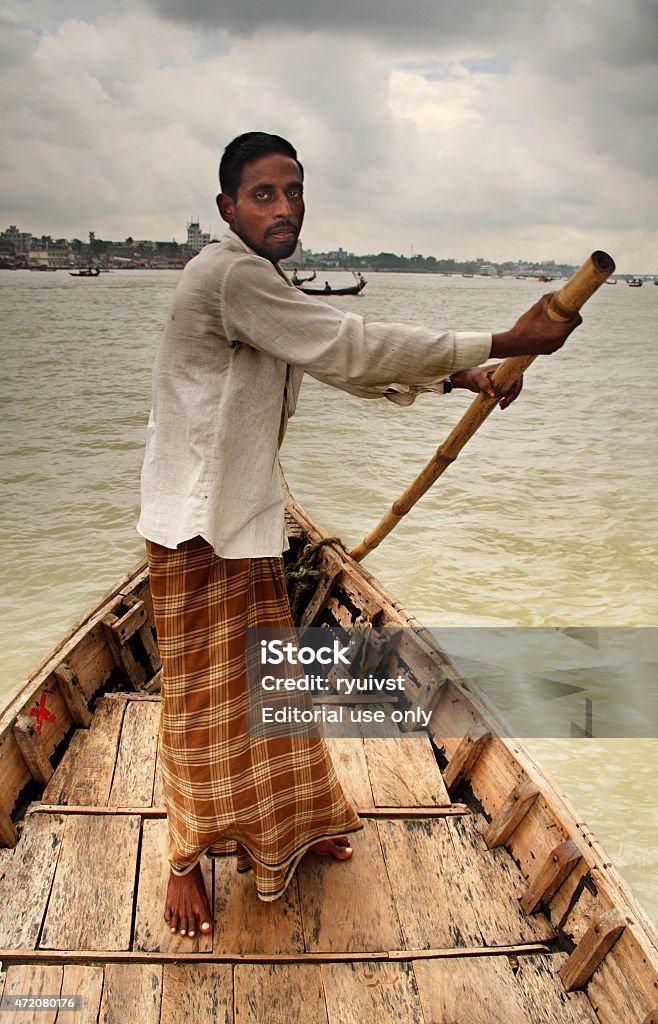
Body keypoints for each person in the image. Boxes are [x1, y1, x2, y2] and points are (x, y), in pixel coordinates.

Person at [137, 131, 580, 940]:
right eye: (263, 194)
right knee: (202, 704)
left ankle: (285, 828)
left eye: (294, 191)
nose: (283, 207)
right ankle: (182, 860)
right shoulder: (227, 273)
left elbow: (337, 359)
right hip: (197, 528)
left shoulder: (263, 283)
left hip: (242, 516)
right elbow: (348, 343)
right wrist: (506, 341)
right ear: (226, 207)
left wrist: (456, 374)